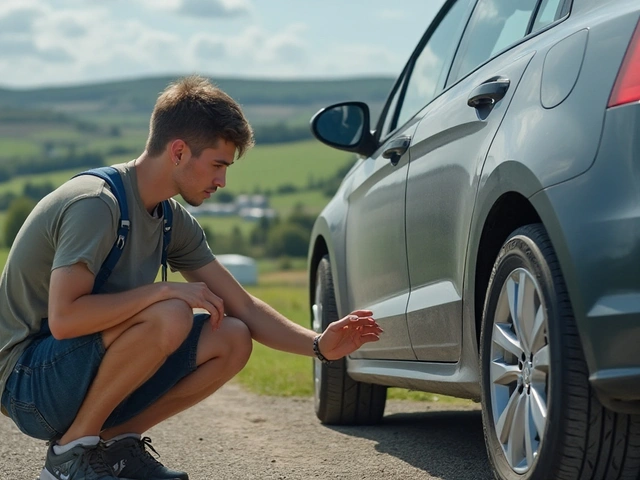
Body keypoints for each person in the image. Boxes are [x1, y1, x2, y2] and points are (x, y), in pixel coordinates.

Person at [0, 75, 382, 480]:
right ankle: (68, 459)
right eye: (217, 165)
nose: (222, 181)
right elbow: (65, 319)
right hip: (27, 383)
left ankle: (113, 446)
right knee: (171, 312)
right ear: (179, 151)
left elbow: (243, 306)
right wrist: (165, 290)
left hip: (72, 370)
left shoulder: (170, 219)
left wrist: (320, 346)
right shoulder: (96, 204)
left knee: (232, 336)